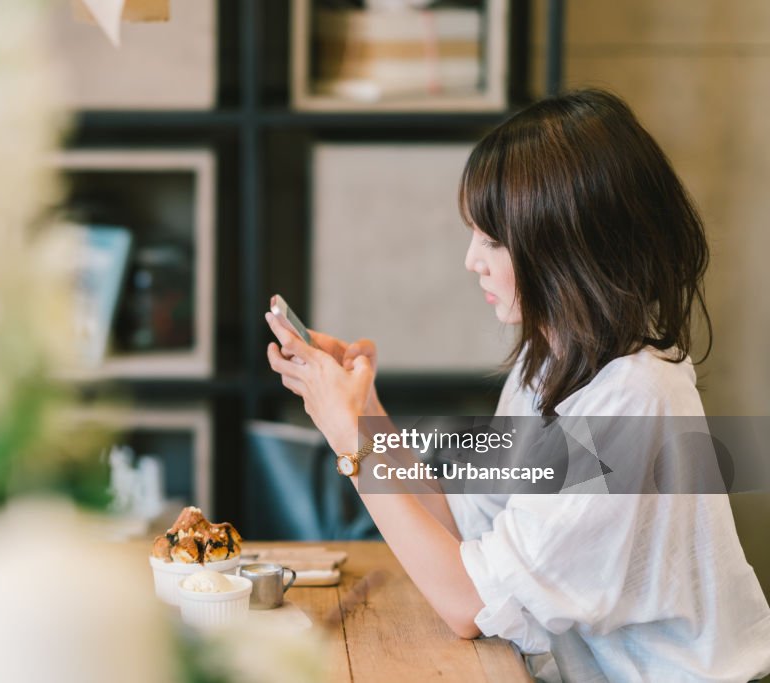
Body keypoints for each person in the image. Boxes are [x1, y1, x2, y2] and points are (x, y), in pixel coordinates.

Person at [265, 89, 770, 682]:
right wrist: (366, 410)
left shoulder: (635, 401)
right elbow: (460, 526)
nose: (471, 260)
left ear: (564, 245)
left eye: (492, 240)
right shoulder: (547, 362)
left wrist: (350, 438)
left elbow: (467, 606)